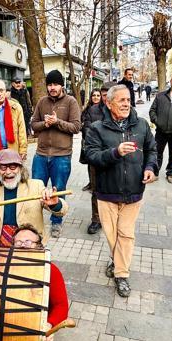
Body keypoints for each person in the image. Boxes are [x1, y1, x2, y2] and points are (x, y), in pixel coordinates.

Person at [83, 84, 157, 297]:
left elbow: (152, 150)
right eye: (121, 100)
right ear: (109, 102)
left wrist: (151, 168)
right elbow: (92, 156)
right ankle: (117, 261)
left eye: (128, 100)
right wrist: (114, 153)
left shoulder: (142, 125)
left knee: (126, 234)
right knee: (112, 235)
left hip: (134, 191)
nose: (126, 104)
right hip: (107, 193)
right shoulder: (97, 128)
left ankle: (121, 274)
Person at [31, 69, 82, 238]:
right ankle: (32, 222)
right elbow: (33, 125)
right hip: (41, 154)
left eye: (55, 84)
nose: (52, 87)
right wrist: (45, 124)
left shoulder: (71, 102)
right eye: (50, 84)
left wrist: (57, 122)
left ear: (62, 85)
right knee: (35, 190)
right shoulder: (42, 102)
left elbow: (76, 127)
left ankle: (56, 222)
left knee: (58, 190)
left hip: (62, 156)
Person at [80, 88, 105, 235]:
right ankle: (96, 219)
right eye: (103, 95)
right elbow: (87, 131)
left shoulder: (123, 111)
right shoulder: (92, 110)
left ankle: (109, 217)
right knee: (95, 190)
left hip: (116, 156)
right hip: (96, 155)